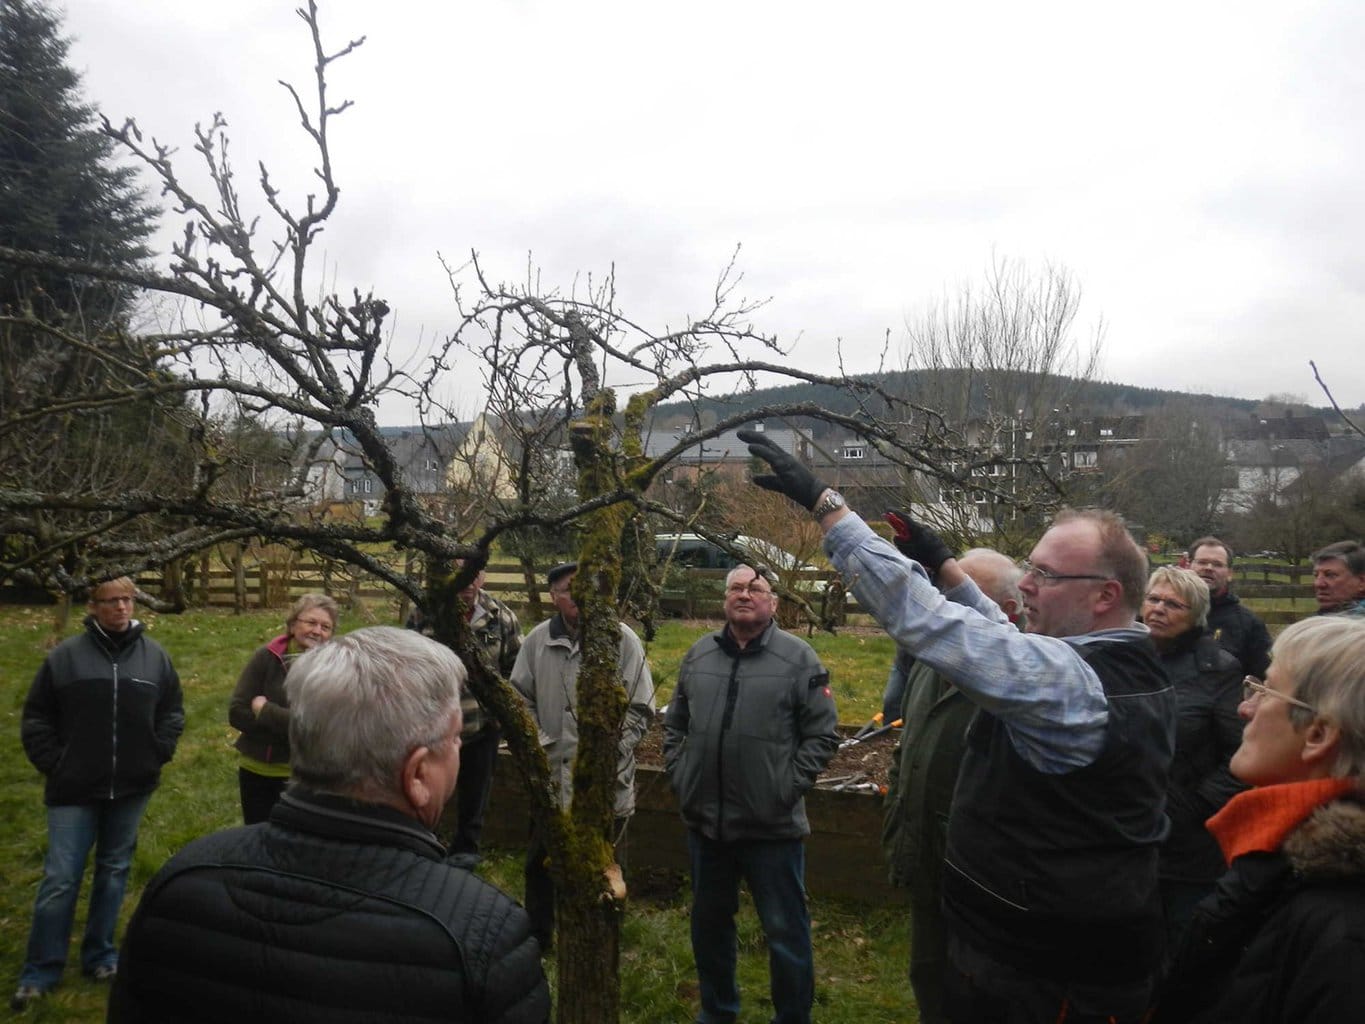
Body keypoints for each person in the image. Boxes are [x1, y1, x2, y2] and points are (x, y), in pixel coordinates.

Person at [738, 428, 1175, 1024]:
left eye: (1045, 575)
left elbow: (937, 629)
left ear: (1105, 595)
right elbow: (1001, 634)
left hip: (1047, 979)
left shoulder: (1076, 683)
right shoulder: (1110, 663)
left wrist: (829, 508)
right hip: (1037, 956)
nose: (1025, 584)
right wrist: (944, 564)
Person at [108, 626, 550, 1024]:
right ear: (416, 776)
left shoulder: (180, 884)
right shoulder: (485, 937)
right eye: (455, 738)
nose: (459, 749)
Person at [1155, 616, 1365, 1023]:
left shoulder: (1341, 932)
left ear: (1318, 735)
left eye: (1264, 691)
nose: (1244, 708)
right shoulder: (1280, 862)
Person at [664, 563, 840, 1024]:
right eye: (736, 588)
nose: (744, 594)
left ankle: (793, 1017)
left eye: (755, 587)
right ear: (725, 599)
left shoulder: (799, 659)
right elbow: (674, 726)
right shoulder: (698, 655)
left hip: (772, 829)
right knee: (709, 928)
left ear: (774, 602)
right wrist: (682, 776)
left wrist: (784, 789)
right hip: (706, 825)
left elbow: (822, 736)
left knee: (786, 933)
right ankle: (718, 1011)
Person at [13, 577, 184, 1011]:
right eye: (110, 601)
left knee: (114, 871)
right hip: (73, 788)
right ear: (92, 607)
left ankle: (101, 955)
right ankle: (41, 969)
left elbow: (173, 711)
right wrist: (56, 762)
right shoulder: (65, 658)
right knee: (60, 878)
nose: (121, 607)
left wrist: (156, 753)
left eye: (126, 599)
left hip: (131, 786)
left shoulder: (155, 657)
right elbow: (36, 718)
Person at [882, 546, 1025, 1024]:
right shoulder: (933, 656)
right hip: (926, 858)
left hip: (985, 879)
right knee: (928, 976)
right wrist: (897, 815)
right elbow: (909, 745)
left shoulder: (1020, 680)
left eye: (961, 595)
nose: (943, 604)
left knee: (980, 995)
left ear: (1004, 611)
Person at [508, 561, 655, 952]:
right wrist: (540, 744)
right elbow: (518, 699)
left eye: (585, 586)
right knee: (540, 866)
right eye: (568, 588)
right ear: (554, 597)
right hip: (552, 782)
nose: (577, 595)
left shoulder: (622, 641)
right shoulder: (537, 642)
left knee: (606, 870)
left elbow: (641, 707)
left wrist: (608, 753)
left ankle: (599, 943)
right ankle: (540, 941)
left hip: (607, 787)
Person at [1141, 566, 1246, 945]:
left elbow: (1240, 757)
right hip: (1125, 836)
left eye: (1173, 604)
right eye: (1153, 599)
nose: (1159, 609)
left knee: (1182, 947)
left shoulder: (1218, 670)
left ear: (1196, 614)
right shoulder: (1124, 656)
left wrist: (1191, 807)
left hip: (1189, 845)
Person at [407, 562, 522, 867]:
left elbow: (515, 669)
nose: (469, 582)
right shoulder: (425, 614)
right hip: (434, 727)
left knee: (476, 795)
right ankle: (424, 848)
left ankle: (466, 853)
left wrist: (500, 715)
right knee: (429, 790)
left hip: (481, 727)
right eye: (461, 575)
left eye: (475, 574)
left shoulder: (501, 617)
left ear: (482, 576)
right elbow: (408, 667)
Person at [228, 592, 339, 823]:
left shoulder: (333, 670)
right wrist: (292, 726)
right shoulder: (266, 658)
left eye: (326, 627)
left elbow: (320, 727)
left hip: (306, 776)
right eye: (311, 622)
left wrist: (266, 711)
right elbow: (237, 713)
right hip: (257, 770)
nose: (317, 631)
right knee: (258, 842)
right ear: (292, 624)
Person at [1187, 536, 1272, 678]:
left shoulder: (1248, 624)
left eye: (1217, 564)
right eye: (1202, 562)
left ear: (1230, 574)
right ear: (1188, 566)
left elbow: (1264, 677)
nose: (1208, 568)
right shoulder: (1166, 611)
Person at [1311, 539, 1365, 617]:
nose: (1318, 584)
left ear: (1362, 582)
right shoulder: (1322, 621)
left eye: (1330, 575)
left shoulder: (1356, 626)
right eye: (1316, 575)